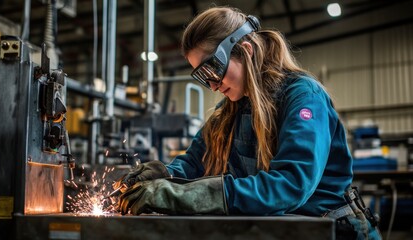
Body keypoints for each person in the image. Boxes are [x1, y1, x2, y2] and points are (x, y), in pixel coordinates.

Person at [113, 6, 381, 240]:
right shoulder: (228, 111)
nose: (213, 84)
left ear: (246, 50)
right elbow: (196, 161)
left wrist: (181, 196)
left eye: (213, 69)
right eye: (202, 76)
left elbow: (291, 183)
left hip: (330, 229)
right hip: (277, 228)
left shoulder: (303, 97)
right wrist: (165, 175)